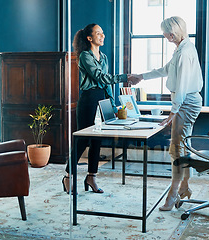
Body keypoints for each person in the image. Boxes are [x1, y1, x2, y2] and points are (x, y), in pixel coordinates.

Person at [128, 16, 203, 210]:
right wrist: (140, 77)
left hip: (186, 102)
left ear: (172, 32)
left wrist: (173, 111)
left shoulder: (185, 52)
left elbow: (182, 85)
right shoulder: (181, 49)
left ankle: (174, 192)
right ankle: (184, 186)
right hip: (185, 101)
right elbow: (164, 70)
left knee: (177, 148)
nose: (163, 35)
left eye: (164, 32)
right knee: (182, 147)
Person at [62, 23, 129, 194]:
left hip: (102, 99)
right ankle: (68, 176)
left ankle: (91, 176)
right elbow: (99, 77)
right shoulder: (85, 56)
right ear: (89, 38)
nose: (102, 36)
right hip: (89, 98)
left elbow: (106, 85)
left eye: (103, 32)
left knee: (98, 139)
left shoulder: (104, 57)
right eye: (98, 33)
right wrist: (124, 77)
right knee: (83, 139)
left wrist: (113, 105)